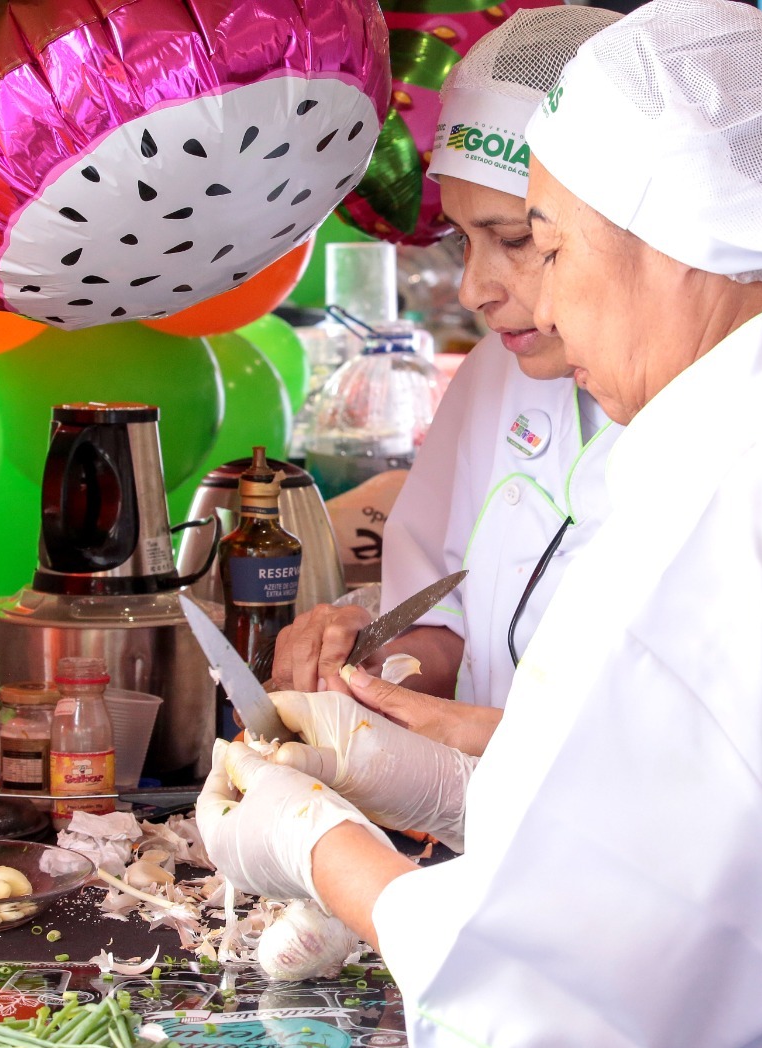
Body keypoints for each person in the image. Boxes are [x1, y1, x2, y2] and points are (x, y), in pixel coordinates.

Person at [200, 2, 762, 1048]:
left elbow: (548, 998)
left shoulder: (734, 494)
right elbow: (738, 835)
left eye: (549, 246)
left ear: (672, 238)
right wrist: (456, 782)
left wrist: (316, 842)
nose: (542, 304)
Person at [272, 6, 622, 755]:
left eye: (518, 240)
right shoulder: (501, 370)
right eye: (464, 240)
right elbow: (443, 613)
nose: (473, 291)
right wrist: (371, 660)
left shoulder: (751, 423)